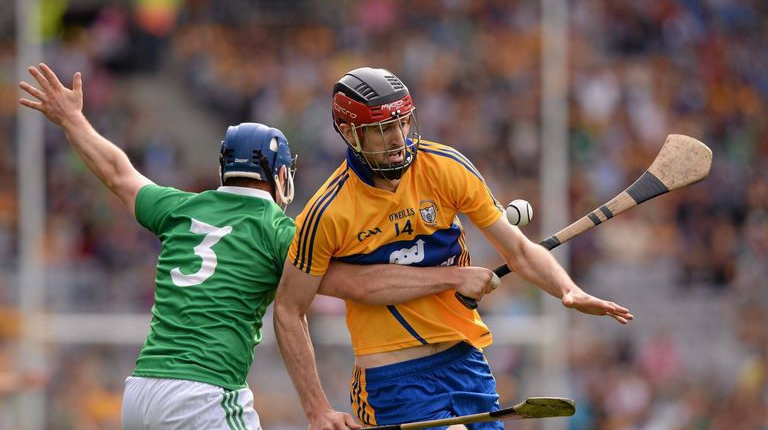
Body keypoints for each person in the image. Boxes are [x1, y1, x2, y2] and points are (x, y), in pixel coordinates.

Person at [19, 63, 501, 430]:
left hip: (140, 393)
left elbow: (117, 173)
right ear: (282, 174)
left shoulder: (179, 208)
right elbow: (358, 284)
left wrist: (72, 121)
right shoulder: (280, 231)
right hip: (204, 394)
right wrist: (450, 274)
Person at [273, 67, 635, 430]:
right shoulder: (328, 211)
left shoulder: (445, 167)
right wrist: (316, 408)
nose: (398, 138)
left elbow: (520, 252)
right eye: (383, 130)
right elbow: (290, 308)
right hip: (395, 380)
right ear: (351, 133)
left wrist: (568, 290)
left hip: (466, 361)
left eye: (403, 123)